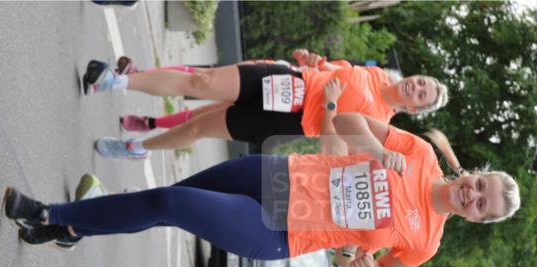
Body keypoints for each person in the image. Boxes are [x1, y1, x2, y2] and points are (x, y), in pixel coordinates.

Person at [0, 113, 519, 267]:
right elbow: (344, 121)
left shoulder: (426, 242)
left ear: (477, 220)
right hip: (275, 175)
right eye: (481, 185)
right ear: (475, 174)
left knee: (170, 206)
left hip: (279, 231)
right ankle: (72, 229)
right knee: (167, 197)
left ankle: (49, 213)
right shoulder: (420, 153)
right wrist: (379, 150)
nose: (473, 195)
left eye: (482, 205)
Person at [83, 47, 447, 159]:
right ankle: (116, 81)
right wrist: (310, 60)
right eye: (421, 81)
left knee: (198, 128)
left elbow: (332, 147)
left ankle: (137, 148)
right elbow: (327, 70)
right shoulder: (376, 73)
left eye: (421, 94)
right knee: (201, 81)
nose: (416, 86)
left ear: (414, 109)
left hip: (288, 121)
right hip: (287, 81)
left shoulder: (381, 123)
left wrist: (331, 106)